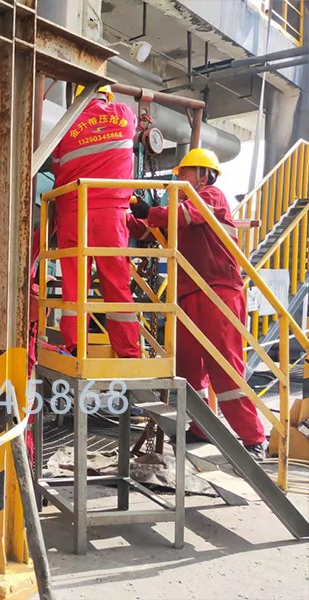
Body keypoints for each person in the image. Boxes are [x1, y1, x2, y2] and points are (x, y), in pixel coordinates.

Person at [128, 148, 266, 458]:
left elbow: (181, 215)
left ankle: (253, 438)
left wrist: (149, 210)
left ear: (204, 176)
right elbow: (149, 229)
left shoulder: (211, 196)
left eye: (185, 173)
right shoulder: (181, 210)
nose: (178, 177)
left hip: (219, 292)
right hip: (189, 295)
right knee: (188, 366)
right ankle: (202, 427)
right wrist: (123, 213)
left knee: (224, 367)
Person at [52, 84, 141, 358]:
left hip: (72, 210)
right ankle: (128, 352)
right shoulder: (124, 114)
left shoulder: (65, 126)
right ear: (107, 95)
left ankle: (76, 346)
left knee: (74, 284)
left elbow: (57, 167)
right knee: (116, 282)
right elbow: (136, 129)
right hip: (110, 214)